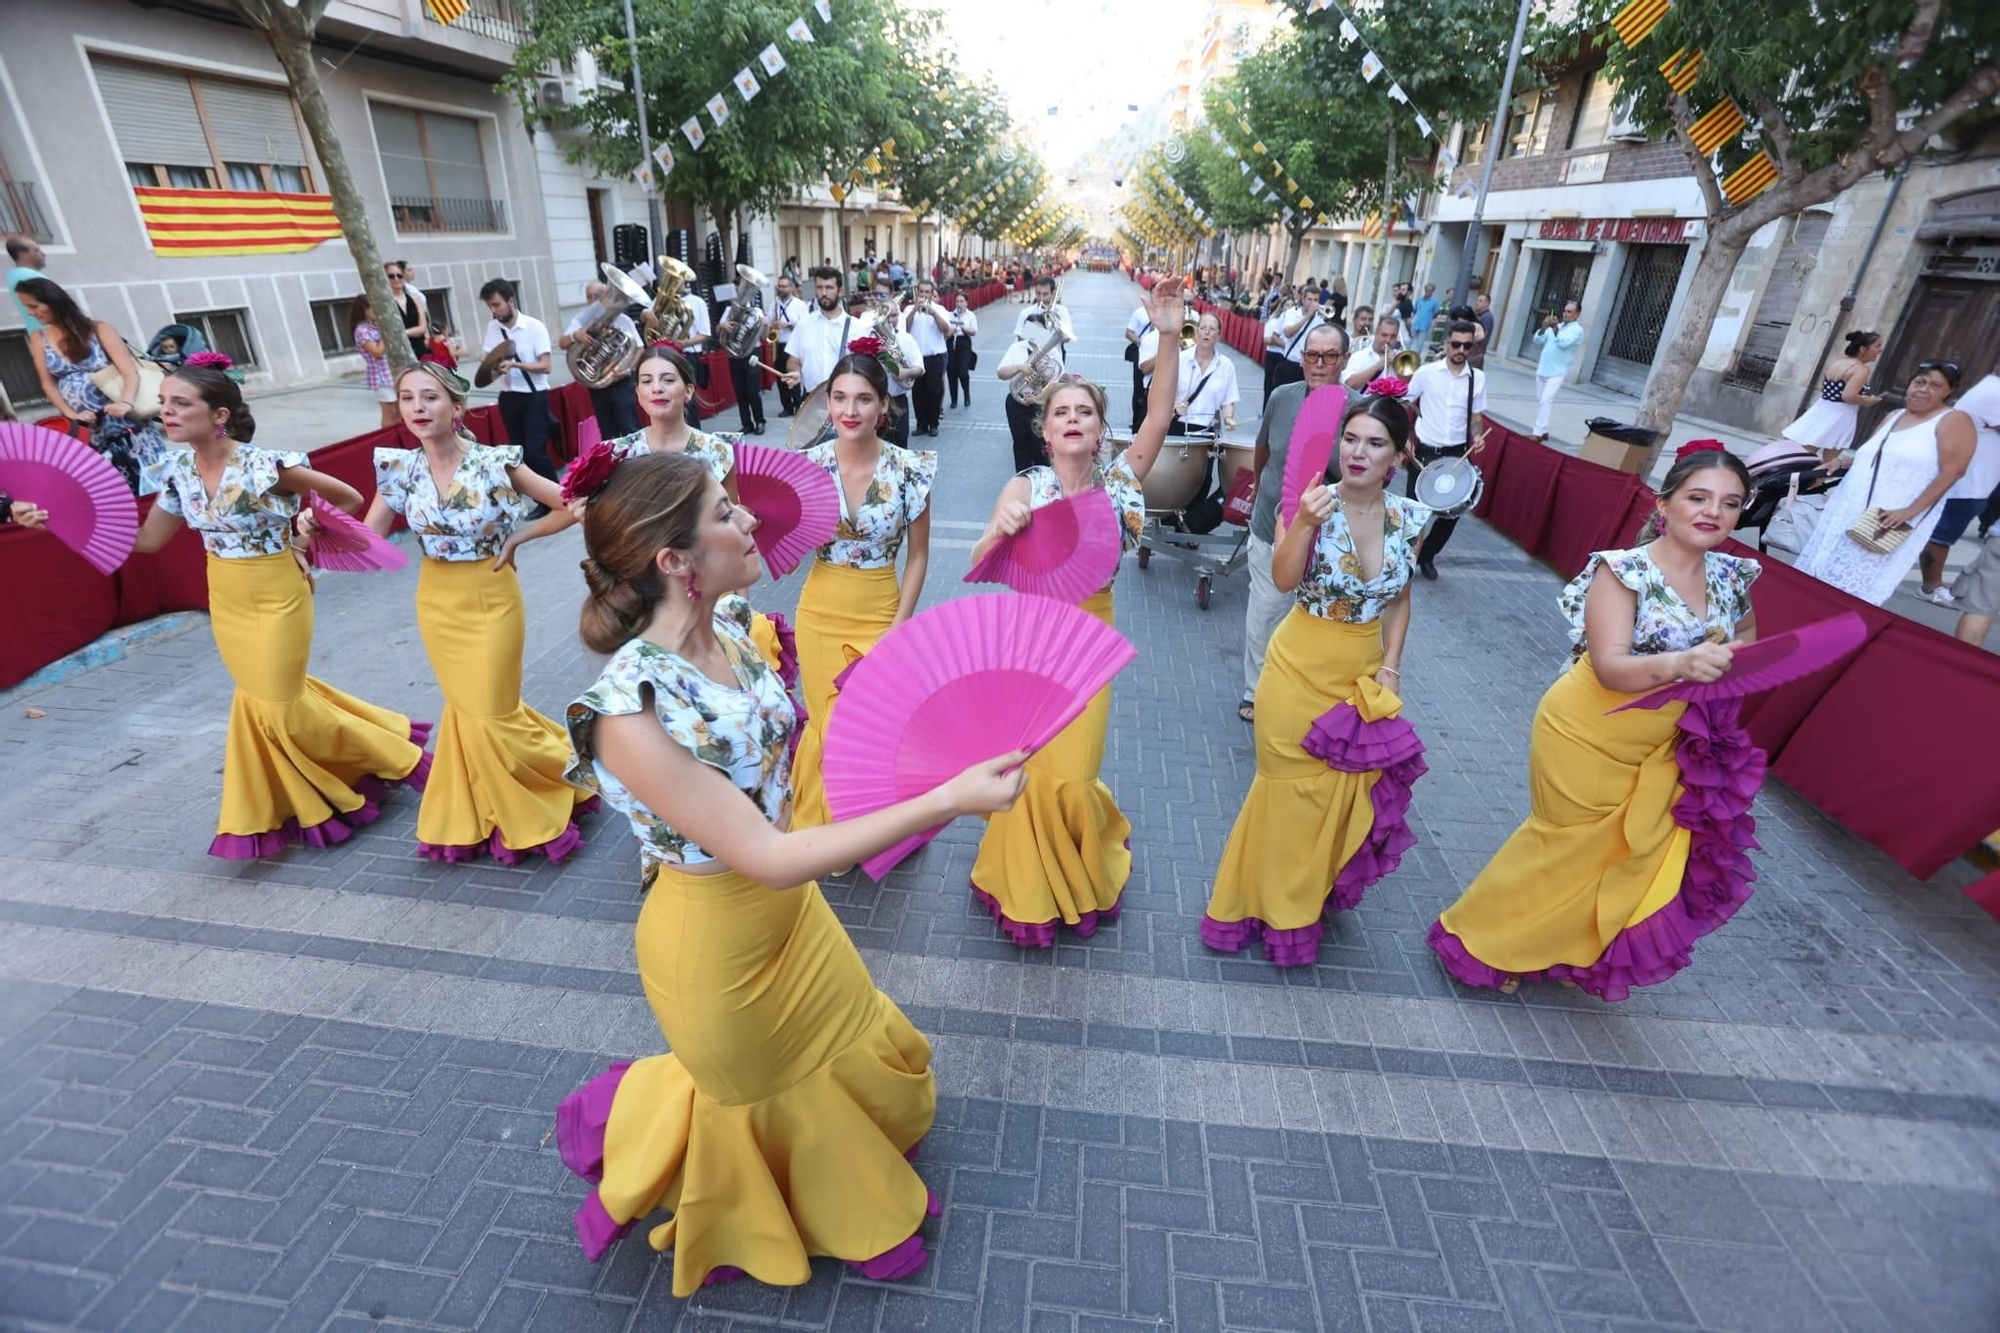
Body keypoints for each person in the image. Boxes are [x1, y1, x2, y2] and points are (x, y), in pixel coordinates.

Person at [552, 450, 1027, 1294]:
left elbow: (789, 780)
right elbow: (767, 856)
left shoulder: (735, 622)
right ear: (674, 562)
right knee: (774, 1093)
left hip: (795, 914)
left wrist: (927, 748)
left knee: (850, 1035)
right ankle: (777, 1208)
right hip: (720, 951)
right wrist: (948, 799)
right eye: (726, 514)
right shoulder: (630, 709)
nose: (751, 522)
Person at [10, 364, 431, 854]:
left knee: (279, 704)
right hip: (225, 596)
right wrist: (57, 521)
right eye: (164, 401)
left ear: (219, 416)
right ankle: (317, 788)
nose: (166, 411)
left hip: (277, 593)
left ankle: (394, 757)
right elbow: (147, 541)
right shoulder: (176, 471)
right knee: (264, 701)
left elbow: (349, 496)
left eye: (181, 403)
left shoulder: (265, 466)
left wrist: (300, 535)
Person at [1427, 447, 1764, 1000]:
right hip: (1588, 729)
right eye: (1698, 498)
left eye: (1729, 504)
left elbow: (1746, 636)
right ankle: (1477, 940)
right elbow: (1611, 669)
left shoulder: (1732, 575)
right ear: (1665, 503)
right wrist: (1683, 665)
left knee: (1617, 857)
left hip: (1665, 742)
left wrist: (1730, 660)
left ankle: (1552, 947)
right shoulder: (1623, 570)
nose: (1713, 512)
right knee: (1559, 847)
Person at [962, 278, 1189, 948]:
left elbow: (1161, 416)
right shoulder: (1023, 484)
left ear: (1098, 430)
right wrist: (1000, 525)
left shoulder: (1121, 483)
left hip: (1090, 641)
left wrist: (1169, 334)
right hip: (1027, 643)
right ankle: (1029, 887)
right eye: (1060, 410)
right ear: (1044, 426)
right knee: (1027, 771)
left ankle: (1078, 862)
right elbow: (977, 559)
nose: (1071, 420)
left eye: (1084, 413)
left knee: (1075, 770)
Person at [1202, 391, 1432, 968]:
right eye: (1350, 439)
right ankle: (1260, 904)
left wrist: (1392, 664)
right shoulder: (1311, 503)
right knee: (1285, 792)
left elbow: (1400, 600)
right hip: (1297, 668)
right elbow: (1281, 581)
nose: (1358, 452)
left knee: (1336, 799)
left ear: (1398, 457)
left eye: (1375, 443)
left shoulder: (1410, 519)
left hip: (1360, 677)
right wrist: (1302, 521)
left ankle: (1303, 896)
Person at [354, 364, 592, 863]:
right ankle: (492, 804)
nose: (417, 407)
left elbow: (572, 504)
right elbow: (368, 539)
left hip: (491, 594)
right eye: (407, 398)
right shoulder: (399, 470)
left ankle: (569, 771)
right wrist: (315, 530)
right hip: (436, 599)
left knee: (491, 713)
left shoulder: (495, 463)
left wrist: (521, 535)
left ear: (457, 407)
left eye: (430, 397)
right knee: (469, 712)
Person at [790, 352, 935, 831]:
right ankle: (830, 827)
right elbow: (786, 547)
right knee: (827, 727)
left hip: (880, 610)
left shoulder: (911, 469)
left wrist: (900, 627)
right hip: (819, 609)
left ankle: (870, 826)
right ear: (827, 404)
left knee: (866, 728)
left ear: (883, 407)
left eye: (863, 399)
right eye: (839, 398)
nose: (850, 410)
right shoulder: (805, 467)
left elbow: (917, 556)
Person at [497, 346, 741, 565]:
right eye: (646, 381)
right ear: (638, 394)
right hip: (639, 579)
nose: (657, 388)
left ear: (688, 391)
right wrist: (519, 537)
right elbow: (568, 507)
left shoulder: (718, 450)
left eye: (667, 379)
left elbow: (733, 526)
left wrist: (738, 603)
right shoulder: (615, 454)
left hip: (704, 574)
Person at [1241, 323, 1351, 724]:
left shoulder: (1357, 410)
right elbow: (1263, 448)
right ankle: (1256, 691)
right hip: (1271, 526)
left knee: (1315, 624)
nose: (1318, 364)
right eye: (1311, 354)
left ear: (1345, 360)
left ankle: (1305, 693)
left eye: (1329, 356)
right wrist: (1257, 489)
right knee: (1265, 614)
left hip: (1328, 541)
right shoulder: (1282, 397)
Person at [1793, 360, 1972, 605]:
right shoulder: (1894, 416)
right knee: (1816, 573)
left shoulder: (1954, 420)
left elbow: (1953, 471)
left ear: (1948, 392)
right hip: (1848, 509)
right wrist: (1843, 463)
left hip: (1887, 520)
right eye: (1920, 382)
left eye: (1935, 385)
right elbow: (1874, 456)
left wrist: (1909, 511)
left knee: (1851, 590)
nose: (1923, 389)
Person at [17, 277, 171, 493]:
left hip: (126, 423)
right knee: (115, 491)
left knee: (154, 484)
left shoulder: (98, 329)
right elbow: (47, 384)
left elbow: (130, 371)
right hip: (88, 429)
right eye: (27, 307)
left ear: (53, 302)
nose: (30, 312)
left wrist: (125, 402)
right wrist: (71, 415)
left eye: (33, 306)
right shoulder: (38, 337)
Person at [1403, 319, 1489, 580]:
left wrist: (1477, 436)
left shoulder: (1478, 378)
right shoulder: (1426, 373)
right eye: (1456, 344)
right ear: (1446, 344)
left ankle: (1426, 556)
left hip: (1457, 453)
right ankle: (1405, 562)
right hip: (1424, 452)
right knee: (1414, 512)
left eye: (1466, 345)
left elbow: (1476, 417)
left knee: (1451, 515)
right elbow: (1406, 405)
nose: (1460, 349)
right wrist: (1405, 437)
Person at [1918, 360, 1999, 605]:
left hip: (1980, 480)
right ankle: (1930, 587)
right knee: (1942, 535)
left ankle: (1965, 582)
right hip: (1969, 480)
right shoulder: (1994, 391)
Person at [479, 278, 556, 490]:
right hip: (508, 396)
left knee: (535, 451)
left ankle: (557, 495)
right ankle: (541, 497)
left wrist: (515, 365)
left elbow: (546, 366)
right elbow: (487, 358)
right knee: (519, 452)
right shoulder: (492, 328)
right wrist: (491, 364)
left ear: (510, 300)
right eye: (489, 306)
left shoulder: (534, 327)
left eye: (496, 305)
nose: (493, 311)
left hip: (534, 395)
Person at [1779, 330, 1885, 461]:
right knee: (1828, 458)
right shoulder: (1861, 370)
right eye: (1877, 346)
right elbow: (1848, 396)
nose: (1880, 350)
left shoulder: (1838, 363)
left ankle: (1794, 477)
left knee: (1808, 449)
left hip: (1822, 407)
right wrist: (1868, 401)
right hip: (1840, 414)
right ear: (1863, 349)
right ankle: (1814, 479)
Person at [562, 281, 643, 440]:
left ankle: (636, 462)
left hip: (621, 380)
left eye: (597, 296)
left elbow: (639, 348)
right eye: (589, 296)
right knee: (607, 431)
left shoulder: (623, 319)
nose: (592, 300)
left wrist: (629, 369)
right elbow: (562, 342)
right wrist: (574, 336)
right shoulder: (581, 320)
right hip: (598, 384)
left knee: (628, 426)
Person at [780, 266, 860, 405]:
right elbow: (793, 360)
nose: (824, 293)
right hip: (811, 401)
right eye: (819, 288)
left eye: (829, 288)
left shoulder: (857, 327)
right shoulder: (803, 325)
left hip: (846, 402)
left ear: (840, 291)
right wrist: (796, 372)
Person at [1172, 312, 1239, 437]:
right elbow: (1165, 395)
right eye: (1202, 328)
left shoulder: (1226, 365)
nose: (1206, 332)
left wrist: (1228, 418)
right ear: (1197, 332)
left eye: (1212, 329)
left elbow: (1228, 400)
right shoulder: (1180, 359)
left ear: (1219, 335)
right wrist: (1175, 408)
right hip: (1178, 425)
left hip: (1208, 430)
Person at [901, 280, 951, 438]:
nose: (923, 295)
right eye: (921, 292)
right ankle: (921, 424)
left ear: (932, 293)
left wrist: (934, 314)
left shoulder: (940, 309)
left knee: (934, 391)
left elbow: (946, 331)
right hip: (916, 359)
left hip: (935, 357)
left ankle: (934, 424)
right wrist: (914, 310)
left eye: (927, 292)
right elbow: (905, 329)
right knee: (918, 393)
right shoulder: (909, 309)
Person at [1532, 301, 1585, 441]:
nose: (1565, 314)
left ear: (1577, 314)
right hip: (1543, 369)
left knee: (1546, 400)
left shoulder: (1577, 330)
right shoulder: (1558, 326)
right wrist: (1544, 327)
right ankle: (1543, 430)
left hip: (1557, 371)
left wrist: (1555, 328)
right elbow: (1538, 340)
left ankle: (1537, 433)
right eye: (1565, 311)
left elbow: (1563, 343)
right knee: (1541, 401)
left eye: (1569, 312)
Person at [351, 298, 397, 428]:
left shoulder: (374, 326)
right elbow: (376, 352)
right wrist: (384, 334)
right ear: (364, 310)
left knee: (398, 411)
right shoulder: (362, 330)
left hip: (391, 374)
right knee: (390, 412)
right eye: (372, 307)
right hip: (381, 376)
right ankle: (390, 443)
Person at [770, 273, 810, 417]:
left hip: (794, 345)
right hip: (779, 345)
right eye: (779, 286)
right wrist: (771, 324)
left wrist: (788, 324)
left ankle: (798, 404)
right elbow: (769, 324)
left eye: (784, 286)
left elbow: (806, 325)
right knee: (781, 377)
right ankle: (786, 407)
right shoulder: (773, 305)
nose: (781, 289)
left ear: (792, 288)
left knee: (794, 376)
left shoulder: (800, 305)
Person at [1343, 314, 1403, 390]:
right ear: (1376, 334)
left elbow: (1409, 385)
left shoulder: (1400, 358)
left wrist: (1398, 367)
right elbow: (1349, 384)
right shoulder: (1359, 356)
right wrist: (1377, 366)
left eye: (1393, 336)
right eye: (1384, 335)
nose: (1388, 340)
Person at [1125, 298, 1155, 431]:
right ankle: (1137, 419)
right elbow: (1129, 332)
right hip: (1142, 351)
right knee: (1139, 388)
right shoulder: (1140, 312)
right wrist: (1141, 342)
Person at [945, 291, 978, 410]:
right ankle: (954, 400)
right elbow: (946, 333)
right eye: (957, 301)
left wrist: (963, 327)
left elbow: (974, 331)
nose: (959, 304)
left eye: (961, 301)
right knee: (951, 373)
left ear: (966, 303)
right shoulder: (950, 315)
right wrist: (952, 330)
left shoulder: (970, 315)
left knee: (963, 372)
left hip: (964, 343)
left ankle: (966, 395)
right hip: (951, 343)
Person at [1013, 275, 1070, 343]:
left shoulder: (1062, 311)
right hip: (1031, 353)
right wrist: (1043, 335)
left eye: (1045, 294)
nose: (1041, 298)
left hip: (1054, 353)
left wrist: (1057, 327)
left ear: (1053, 294)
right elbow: (1018, 340)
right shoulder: (1026, 312)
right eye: (1038, 293)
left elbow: (1067, 338)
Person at [6, 235, 46, 331]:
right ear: (23, 255)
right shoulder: (27, 276)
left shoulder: (15, 274)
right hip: (51, 334)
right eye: (37, 250)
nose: (43, 254)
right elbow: (54, 305)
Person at [386, 262, 431, 346]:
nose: (396, 279)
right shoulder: (384, 303)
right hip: (400, 349)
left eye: (399, 276)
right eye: (391, 276)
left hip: (421, 348)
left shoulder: (415, 300)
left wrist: (404, 332)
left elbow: (422, 328)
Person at [1410, 283, 1441, 349]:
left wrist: (1429, 318)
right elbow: (1415, 310)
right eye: (1427, 289)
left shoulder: (1434, 302)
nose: (1428, 291)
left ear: (1433, 291)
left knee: (1420, 343)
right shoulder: (1419, 299)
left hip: (1425, 324)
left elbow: (1436, 313)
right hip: (1416, 323)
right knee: (1409, 340)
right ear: (1425, 290)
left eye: (1430, 290)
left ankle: (1417, 356)